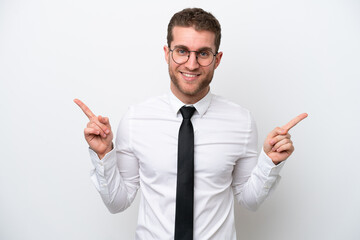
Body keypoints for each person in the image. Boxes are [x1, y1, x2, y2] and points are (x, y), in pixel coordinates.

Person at [74, 8, 307, 240]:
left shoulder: (241, 121)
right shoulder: (136, 120)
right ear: (167, 53)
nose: (192, 64)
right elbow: (118, 202)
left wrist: (270, 162)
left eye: (203, 53)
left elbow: (250, 200)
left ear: (218, 59)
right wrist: (104, 155)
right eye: (182, 51)